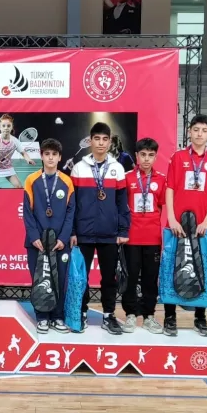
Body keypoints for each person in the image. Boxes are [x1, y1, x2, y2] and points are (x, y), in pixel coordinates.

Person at [165, 114, 207, 337]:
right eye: (196, 129)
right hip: (178, 226)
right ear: (189, 131)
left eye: (204, 130)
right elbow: (170, 188)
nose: (199, 134)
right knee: (173, 267)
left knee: (202, 268)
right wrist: (171, 218)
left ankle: (201, 317)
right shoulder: (178, 157)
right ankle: (170, 317)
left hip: (202, 226)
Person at [70, 122, 130, 335]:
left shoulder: (117, 168)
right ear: (90, 140)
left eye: (105, 139)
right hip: (83, 233)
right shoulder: (79, 167)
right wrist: (73, 232)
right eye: (97, 139)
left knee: (109, 278)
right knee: (81, 277)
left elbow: (122, 203)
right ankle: (81, 313)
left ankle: (108, 315)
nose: (101, 143)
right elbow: (72, 204)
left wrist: (123, 231)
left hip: (109, 233)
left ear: (110, 141)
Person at [23, 138, 75, 333]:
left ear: (60, 157)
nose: (51, 158)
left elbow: (70, 213)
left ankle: (58, 317)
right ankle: (42, 317)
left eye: (54, 154)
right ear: (42, 156)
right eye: (47, 154)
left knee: (60, 280)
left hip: (59, 243)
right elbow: (27, 212)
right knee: (40, 279)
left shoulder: (67, 181)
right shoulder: (32, 180)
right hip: (37, 242)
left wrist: (63, 238)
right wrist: (34, 236)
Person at [122, 138, 165, 334]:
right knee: (130, 278)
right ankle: (130, 315)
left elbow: (162, 206)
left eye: (151, 155)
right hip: (131, 238)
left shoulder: (161, 179)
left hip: (153, 238)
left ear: (155, 157)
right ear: (136, 156)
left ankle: (149, 316)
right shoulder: (127, 178)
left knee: (150, 278)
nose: (146, 159)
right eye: (143, 155)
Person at [0, 114, 35, 188]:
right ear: (0, 127)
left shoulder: (15, 141)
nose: (6, 128)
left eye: (8, 126)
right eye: (3, 126)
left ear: (12, 127)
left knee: (19, 187)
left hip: (7, 168)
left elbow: (23, 153)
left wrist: (28, 159)